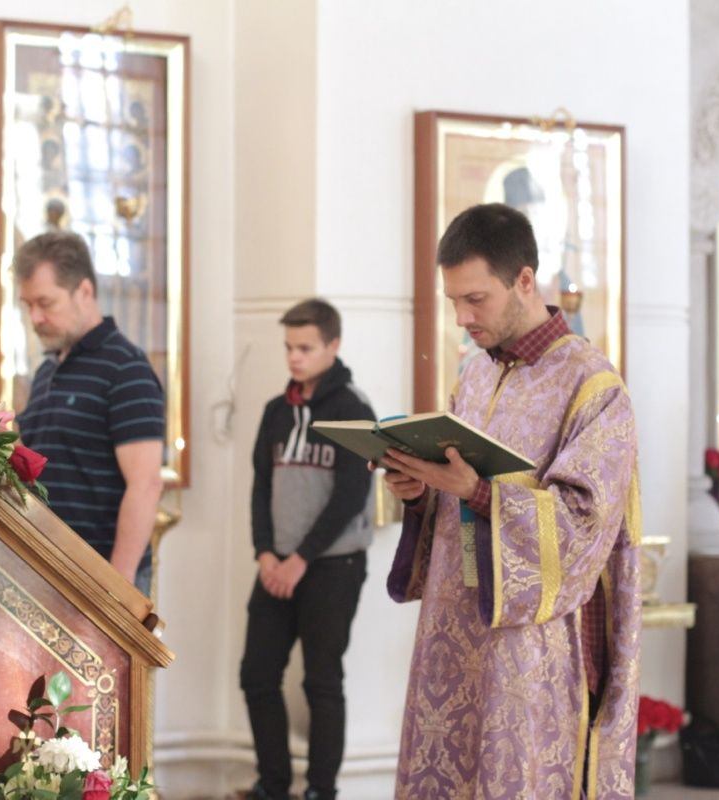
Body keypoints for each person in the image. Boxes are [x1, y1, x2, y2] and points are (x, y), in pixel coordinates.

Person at [381, 203, 642, 798]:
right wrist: (420, 492)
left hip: (529, 649)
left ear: (525, 280)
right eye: (453, 301)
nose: (461, 318)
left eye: (475, 299)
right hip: (452, 630)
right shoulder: (474, 375)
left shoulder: (592, 387)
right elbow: (452, 500)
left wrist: (476, 490)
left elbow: (584, 524)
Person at [240, 299, 375, 800]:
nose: (294, 357)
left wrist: (301, 559)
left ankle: (321, 790)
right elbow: (260, 486)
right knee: (257, 675)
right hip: (276, 565)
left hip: (333, 565)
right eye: (289, 348)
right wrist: (265, 553)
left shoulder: (354, 409)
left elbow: (351, 495)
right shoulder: (276, 412)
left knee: (321, 682)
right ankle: (272, 785)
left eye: (305, 348)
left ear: (333, 345)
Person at [14, 232, 166, 595]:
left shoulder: (126, 368)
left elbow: (145, 484)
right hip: (48, 571)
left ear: (84, 291)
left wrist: (118, 586)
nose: (35, 317)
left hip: (101, 580)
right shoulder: (47, 371)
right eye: (27, 305)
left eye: (45, 303)